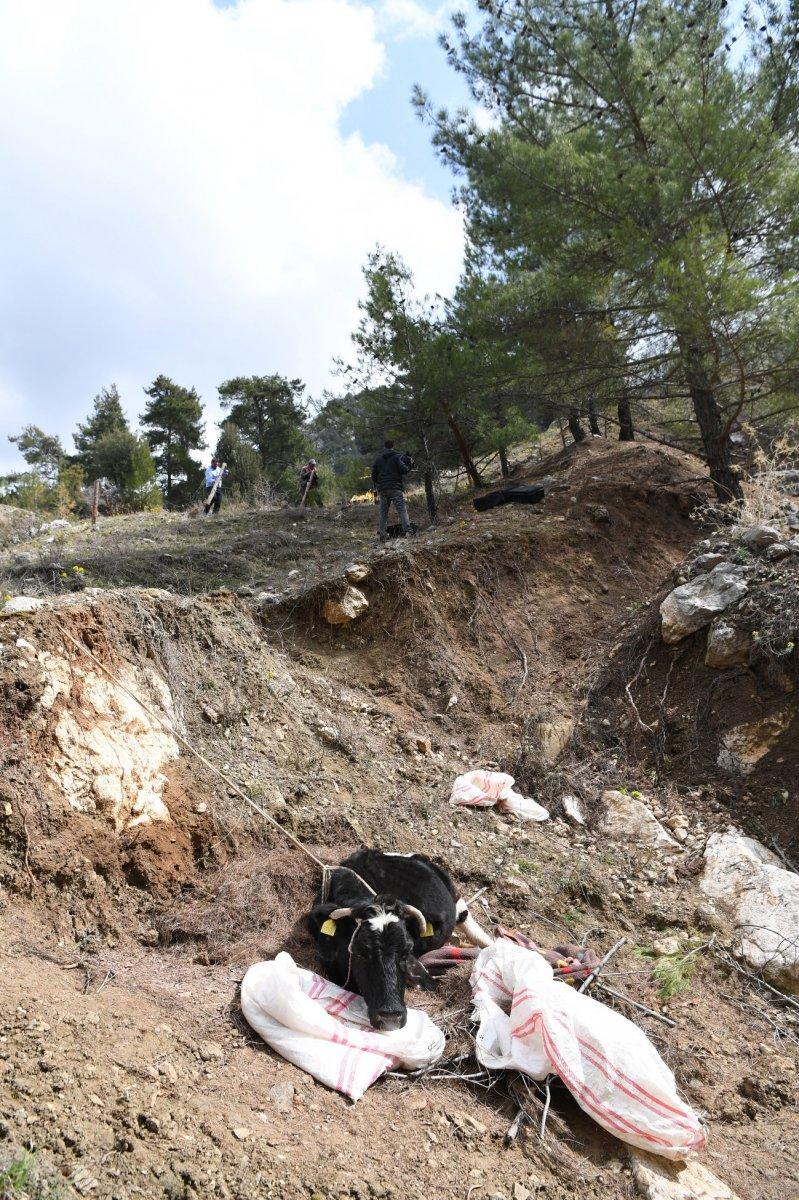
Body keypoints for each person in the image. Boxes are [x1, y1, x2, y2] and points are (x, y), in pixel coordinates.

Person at [371, 439, 414, 540]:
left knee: (383, 513)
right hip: (395, 488)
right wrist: (411, 464)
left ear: (384, 447)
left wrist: (381, 483)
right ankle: (408, 531)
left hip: (383, 489)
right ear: (393, 446)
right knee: (402, 510)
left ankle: (382, 535)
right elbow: (404, 470)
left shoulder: (378, 459)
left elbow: (373, 477)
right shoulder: (397, 457)